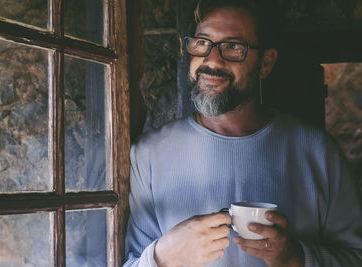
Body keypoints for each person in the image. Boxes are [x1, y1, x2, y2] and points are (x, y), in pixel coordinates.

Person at [123, 0, 362, 266]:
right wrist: (162, 257)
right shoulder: (148, 154)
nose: (212, 60)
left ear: (265, 63)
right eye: (202, 43)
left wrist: (297, 257)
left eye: (233, 46)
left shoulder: (318, 151)